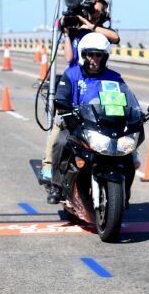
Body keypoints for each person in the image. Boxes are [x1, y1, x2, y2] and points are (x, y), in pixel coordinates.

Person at [44, 32, 128, 204]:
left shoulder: (114, 78)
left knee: (129, 153)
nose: (94, 59)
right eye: (90, 54)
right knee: (61, 143)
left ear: (105, 57)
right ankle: (56, 185)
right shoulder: (72, 74)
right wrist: (64, 107)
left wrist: (133, 113)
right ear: (83, 55)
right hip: (76, 125)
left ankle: (124, 192)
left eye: (99, 55)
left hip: (105, 126)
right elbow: (62, 96)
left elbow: (125, 100)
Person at [61, 0, 119, 67]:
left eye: (98, 11)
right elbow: (69, 58)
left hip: (96, 72)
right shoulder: (76, 31)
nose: (94, 13)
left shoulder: (102, 33)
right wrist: (66, 33)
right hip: (75, 72)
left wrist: (91, 27)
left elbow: (116, 38)